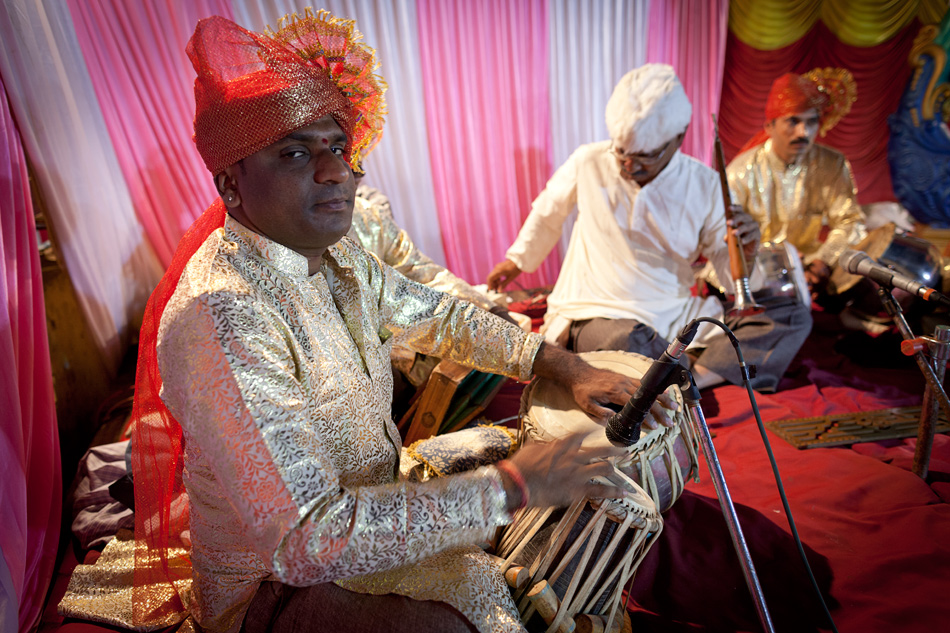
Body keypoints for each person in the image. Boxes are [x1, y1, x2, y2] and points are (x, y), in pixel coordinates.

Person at [104, 11, 673, 633]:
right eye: (296, 153)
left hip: (374, 495)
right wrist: (513, 487)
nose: (334, 171)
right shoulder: (222, 316)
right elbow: (304, 541)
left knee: (526, 447)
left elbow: (438, 316)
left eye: (337, 147)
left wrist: (564, 364)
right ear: (230, 186)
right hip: (273, 587)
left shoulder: (336, 255)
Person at [487, 64, 812, 392]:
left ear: (679, 138)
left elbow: (730, 282)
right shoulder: (589, 161)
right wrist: (517, 260)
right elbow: (547, 213)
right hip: (597, 310)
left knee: (792, 314)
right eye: (622, 153)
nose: (629, 166)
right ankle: (680, 377)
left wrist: (747, 252)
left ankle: (687, 382)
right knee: (627, 340)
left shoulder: (706, 184)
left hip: (672, 311)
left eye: (645, 157)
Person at [726, 68, 866, 298]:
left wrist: (824, 261)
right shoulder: (741, 172)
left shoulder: (832, 164)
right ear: (769, 126)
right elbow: (726, 234)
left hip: (813, 266)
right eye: (793, 121)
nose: (804, 132)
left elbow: (850, 221)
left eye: (811, 122)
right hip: (761, 270)